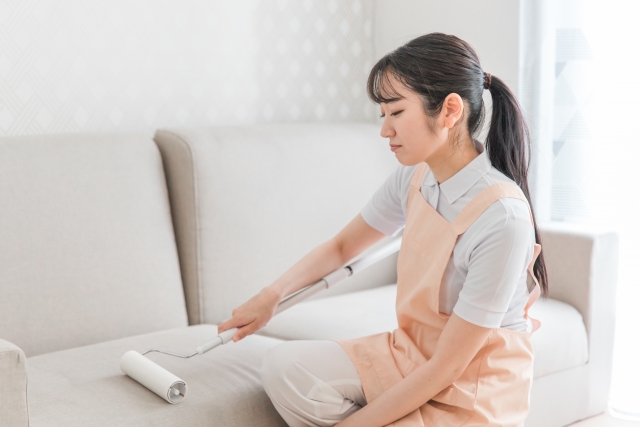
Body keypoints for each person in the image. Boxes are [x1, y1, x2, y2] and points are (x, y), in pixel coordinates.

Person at [216, 32, 549, 427]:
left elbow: (447, 368)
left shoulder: (502, 219)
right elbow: (342, 247)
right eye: (383, 115)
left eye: (396, 112)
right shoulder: (414, 178)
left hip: (472, 388)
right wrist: (271, 295)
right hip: (409, 356)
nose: (384, 130)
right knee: (283, 368)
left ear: (449, 110)